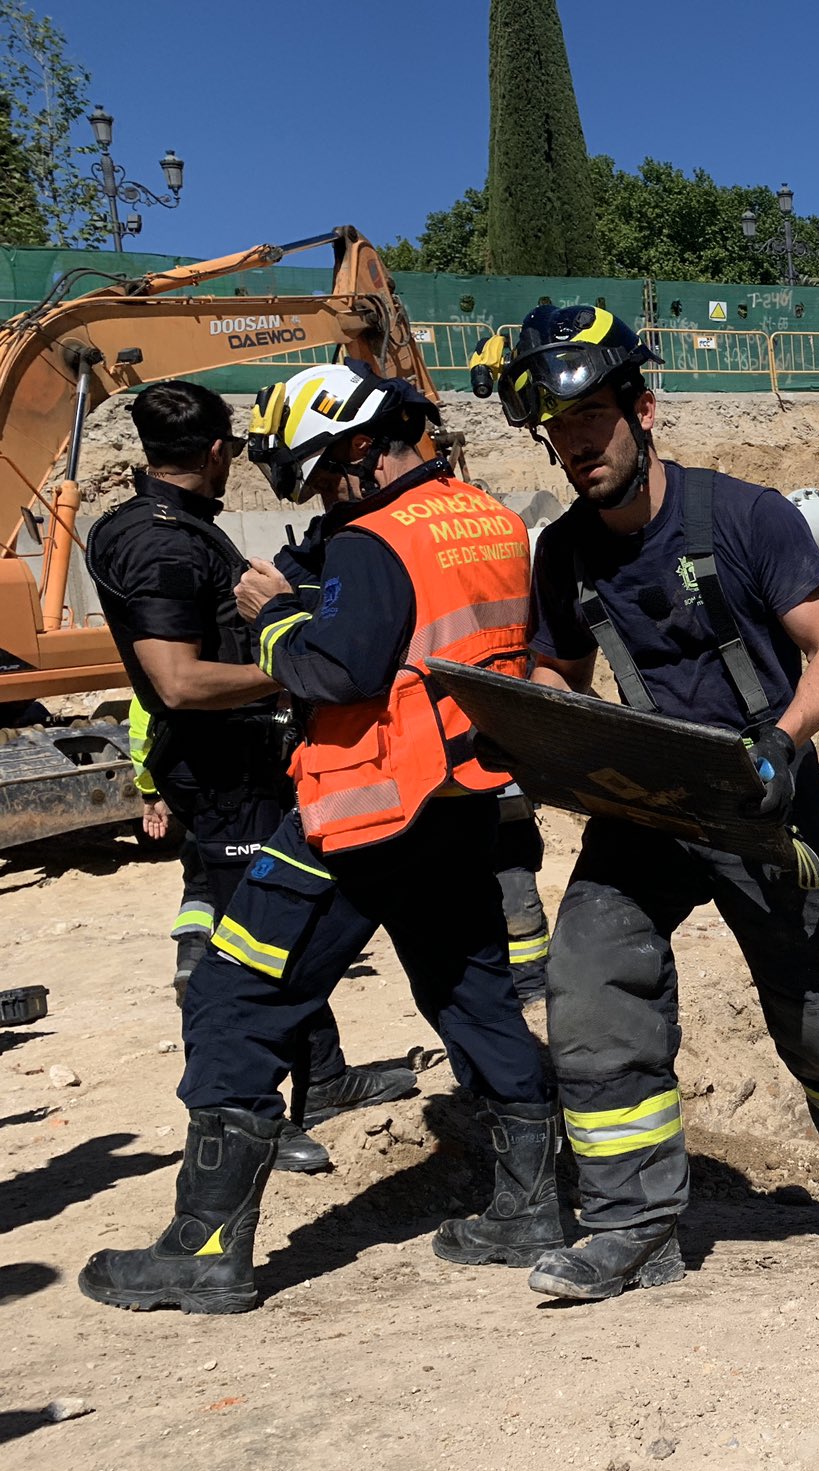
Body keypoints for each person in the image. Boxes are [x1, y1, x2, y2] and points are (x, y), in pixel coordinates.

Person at [78, 362, 559, 1315]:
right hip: (458, 800)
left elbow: (334, 670)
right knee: (470, 990)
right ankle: (530, 1208)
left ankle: (205, 1249)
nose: (325, 497)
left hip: (365, 807)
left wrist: (275, 618)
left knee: (234, 996)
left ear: (359, 445)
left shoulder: (375, 540)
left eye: (325, 474)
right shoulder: (490, 518)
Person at [477, 305, 819, 1302]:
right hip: (648, 802)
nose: (576, 448)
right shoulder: (563, 554)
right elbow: (556, 667)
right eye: (559, 435)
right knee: (587, 983)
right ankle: (635, 1226)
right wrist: (540, 724)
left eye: (592, 424)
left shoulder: (749, 517)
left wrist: (782, 743)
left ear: (644, 409)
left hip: (762, 798)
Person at [83, 380, 414, 1180]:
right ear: (220, 450)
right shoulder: (165, 543)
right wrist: (294, 666)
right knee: (242, 955)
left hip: (239, 767)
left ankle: (324, 1078)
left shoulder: (162, 526)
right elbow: (180, 682)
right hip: (218, 772)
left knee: (282, 930)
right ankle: (237, 1116)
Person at [271, 504, 553, 1002]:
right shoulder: (496, 543)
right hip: (498, 755)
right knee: (505, 888)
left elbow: (345, 671)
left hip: (455, 767)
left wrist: (277, 612)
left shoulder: (399, 556)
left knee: (501, 894)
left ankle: (527, 985)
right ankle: (528, 988)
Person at [127, 695, 218, 1001]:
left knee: (198, 886)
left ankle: (190, 961)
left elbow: (141, 737)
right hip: (244, 795)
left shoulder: (153, 670)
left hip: (192, 799)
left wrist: (151, 794)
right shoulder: (234, 664)